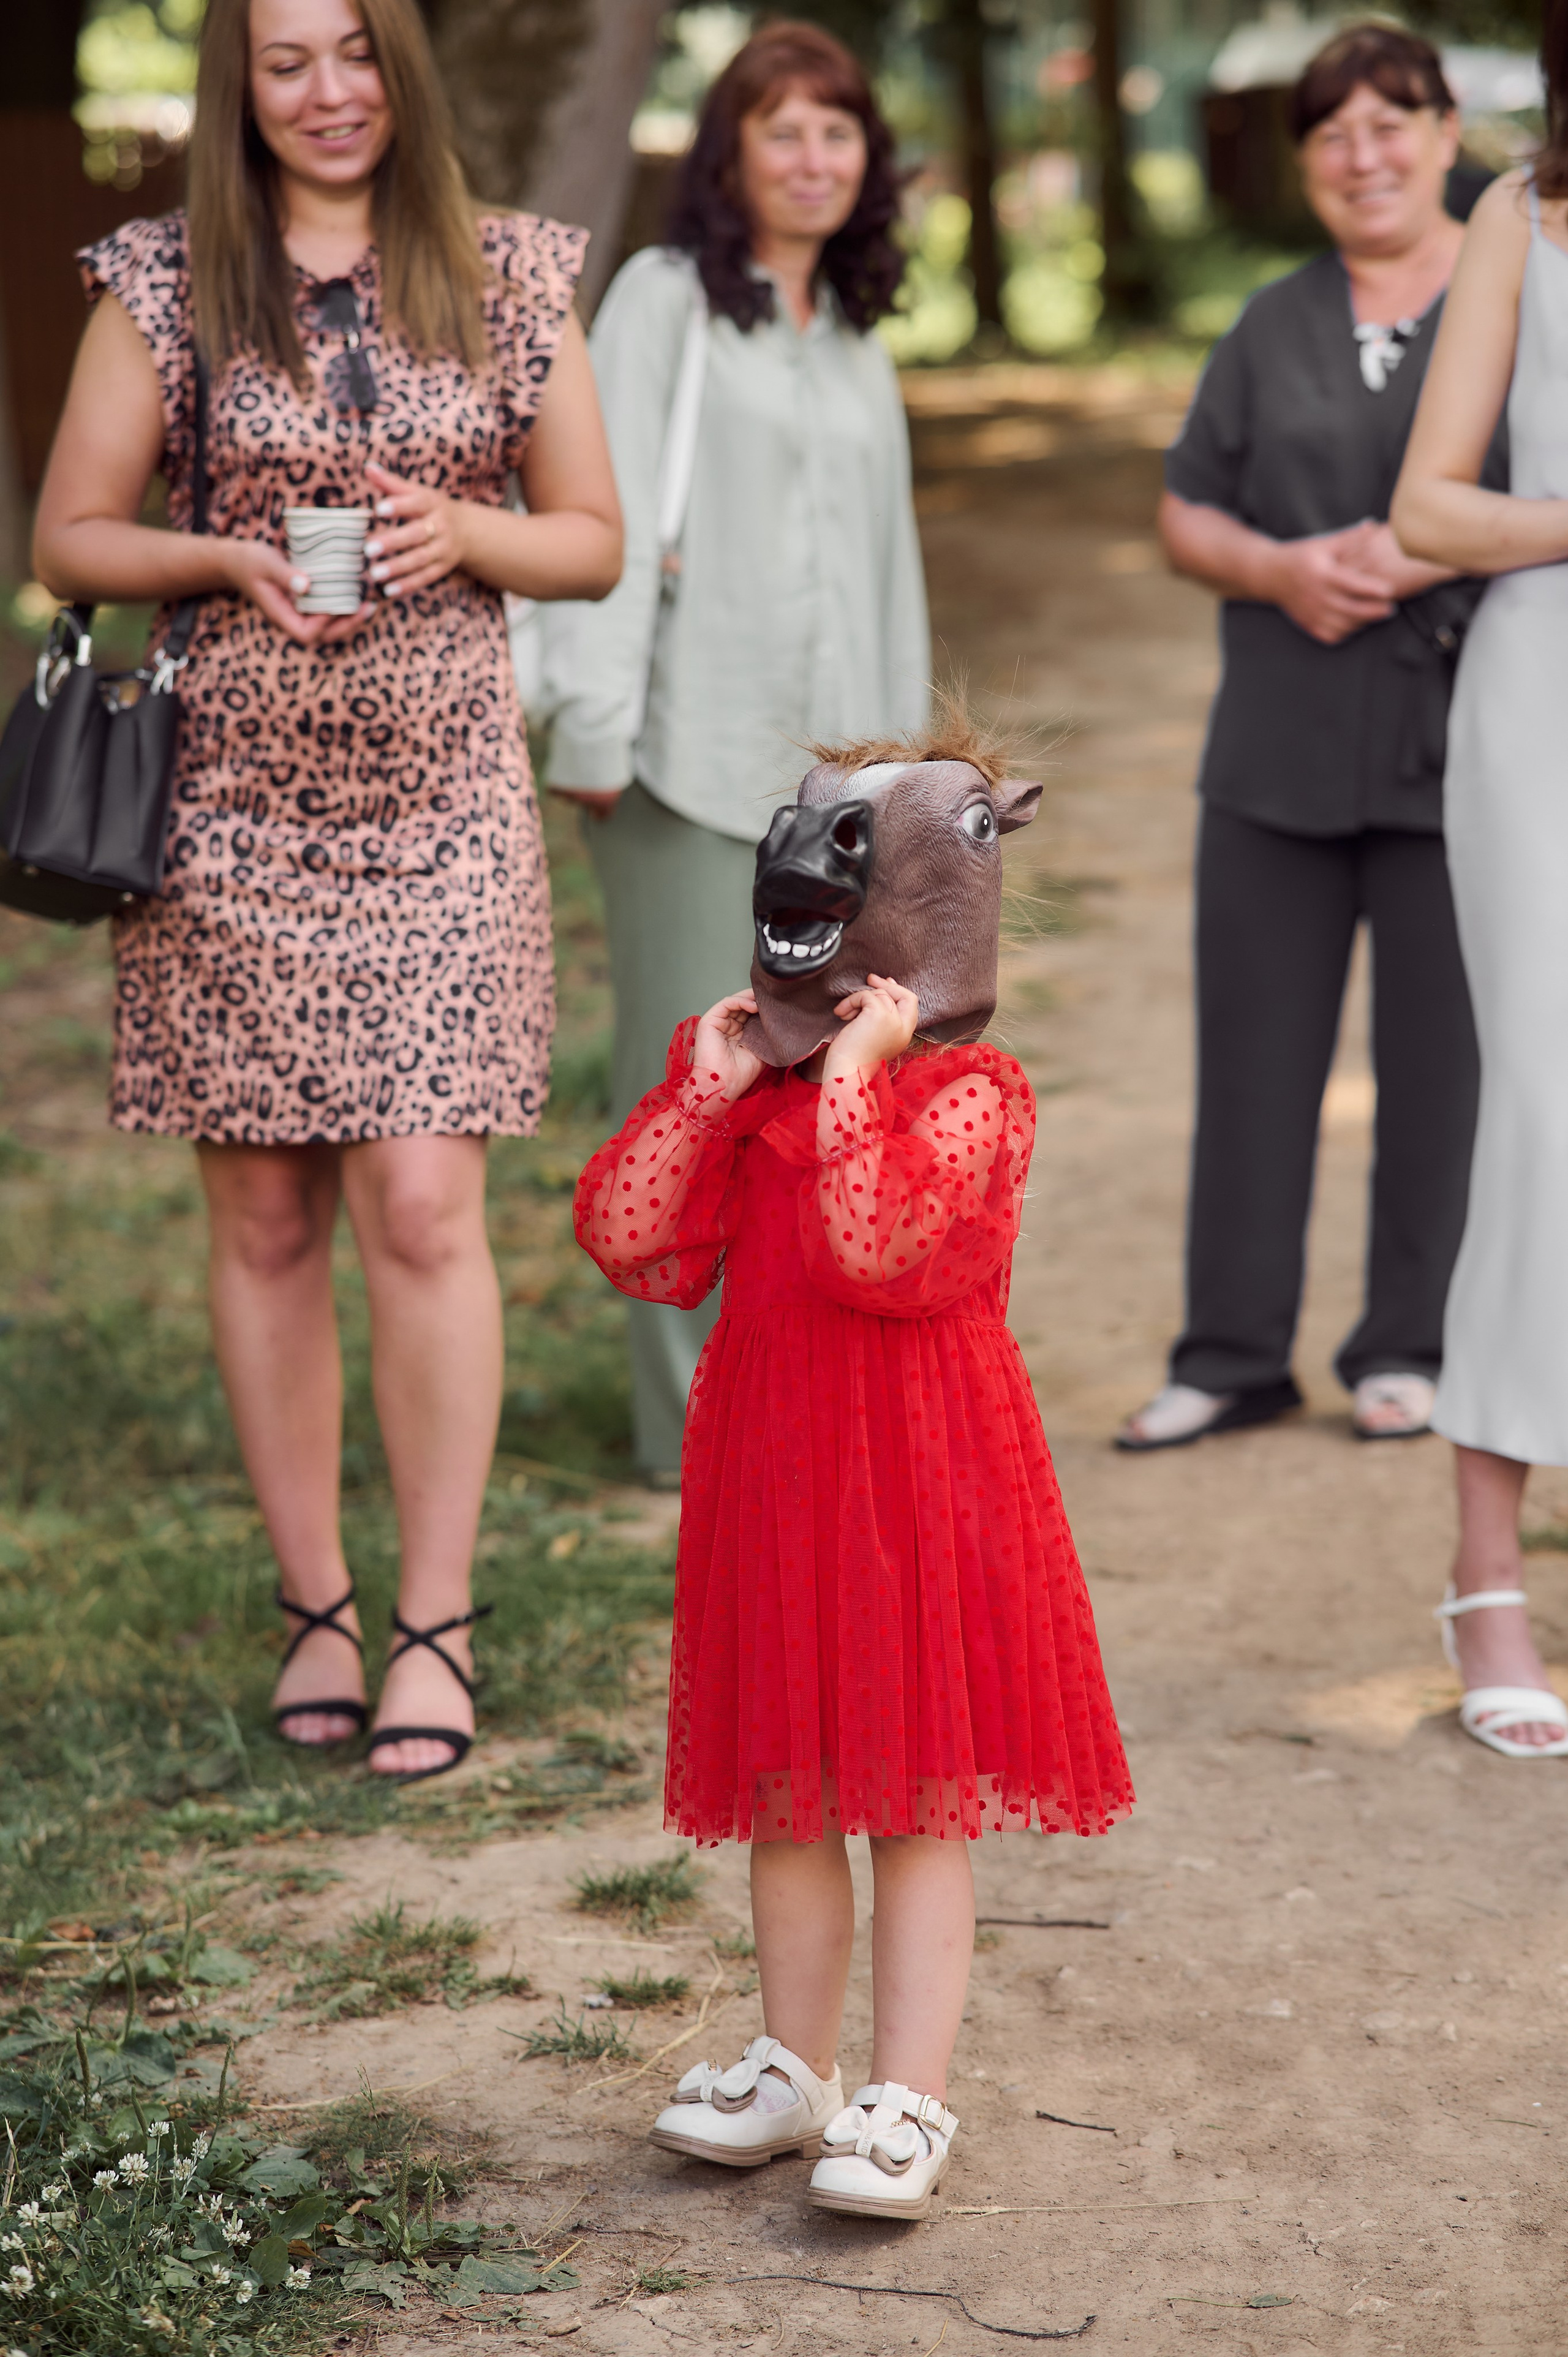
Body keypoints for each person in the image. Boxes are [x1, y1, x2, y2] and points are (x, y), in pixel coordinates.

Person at [31, 0, 620, 1780]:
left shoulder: (511, 269)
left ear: (402, 68)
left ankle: (434, 1623)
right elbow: (69, 534)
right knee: (268, 1222)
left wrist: (469, 531)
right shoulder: (165, 276)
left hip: (443, 796)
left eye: (356, 50)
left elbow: (588, 538)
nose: (329, 89)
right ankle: (316, 1605)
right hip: (230, 805)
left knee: (426, 1208)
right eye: (287, 61)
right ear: (243, 86)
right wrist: (216, 553)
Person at [573, 718, 1132, 2219]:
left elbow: (876, 1250)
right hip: (774, 1479)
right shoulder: (754, 1094)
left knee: (915, 1802)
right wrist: (702, 1090)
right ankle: (794, 2064)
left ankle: (907, 2093)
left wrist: (851, 1075)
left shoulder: (971, 1097)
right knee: (783, 1795)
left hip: (916, 1492)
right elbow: (630, 1243)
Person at [543, 19, 929, 1487]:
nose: (815, 159)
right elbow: (614, 521)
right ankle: (689, 1434)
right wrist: (591, 726)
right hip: (686, 759)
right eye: (784, 130)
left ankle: (788, 1416)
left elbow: (888, 568)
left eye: (839, 133)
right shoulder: (662, 303)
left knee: (818, 1092)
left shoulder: (854, 327)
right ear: (731, 152)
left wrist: (911, 792)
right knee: (699, 1084)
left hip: (832, 800)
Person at [1117, 25, 1501, 1455]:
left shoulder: (1524, 302)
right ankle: (1228, 1356)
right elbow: (1183, 512)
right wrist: (1277, 568)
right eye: (1331, 134)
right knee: (1253, 1061)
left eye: (1390, 122)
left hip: (1459, 755)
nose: (1364, 155)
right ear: (1303, 166)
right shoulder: (1269, 321)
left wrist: (1424, 551)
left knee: (1437, 1069)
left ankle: (1407, 1346)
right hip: (1272, 757)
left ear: (1448, 129)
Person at [1389, 0, 1568, 1757]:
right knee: (1547, 1117)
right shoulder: (1526, 210)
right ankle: (1489, 1572)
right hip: (1548, 703)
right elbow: (1431, 505)